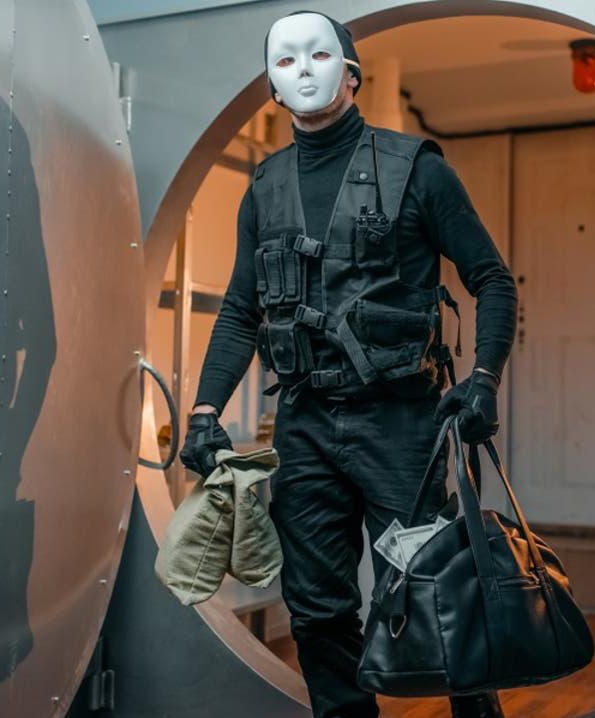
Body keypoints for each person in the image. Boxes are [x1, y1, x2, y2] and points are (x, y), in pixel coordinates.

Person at [180, 10, 516, 718]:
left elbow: (492, 279)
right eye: (285, 62)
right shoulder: (264, 187)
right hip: (304, 426)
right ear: (272, 87)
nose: (303, 70)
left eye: (319, 55)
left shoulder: (417, 169)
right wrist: (205, 410)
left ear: (352, 74)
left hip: (402, 425)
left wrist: (484, 380)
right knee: (315, 609)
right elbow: (240, 310)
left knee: (438, 597)